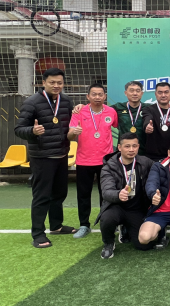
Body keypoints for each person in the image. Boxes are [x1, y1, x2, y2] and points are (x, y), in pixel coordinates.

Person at [15, 67, 76, 248]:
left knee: (59, 193)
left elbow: (71, 122)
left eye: (60, 83)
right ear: (43, 83)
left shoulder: (66, 101)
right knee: (42, 196)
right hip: (42, 157)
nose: (56, 85)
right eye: (52, 82)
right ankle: (38, 234)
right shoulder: (31, 102)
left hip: (62, 154)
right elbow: (19, 129)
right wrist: (32, 131)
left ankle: (56, 226)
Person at [67, 83, 118, 239]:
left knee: (106, 194)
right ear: (88, 96)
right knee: (83, 194)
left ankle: (106, 222)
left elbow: (119, 126)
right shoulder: (79, 111)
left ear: (105, 96)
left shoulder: (111, 112)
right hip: (84, 161)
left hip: (106, 161)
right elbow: (69, 135)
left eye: (100, 94)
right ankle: (84, 225)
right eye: (94, 94)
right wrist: (73, 133)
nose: (97, 97)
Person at [95, 133, 155, 259]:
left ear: (138, 146)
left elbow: (160, 171)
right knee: (107, 218)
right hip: (116, 206)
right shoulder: (109, 166)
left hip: (136, 209)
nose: (131, 149)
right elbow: (106, 191)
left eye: (134, 146)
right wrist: (118, 194)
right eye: (127, 146)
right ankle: (109, 243)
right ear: (119, 147)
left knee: (144, 245)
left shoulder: (145, 162)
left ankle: (126, 228)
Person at [74, 80, 147, 154]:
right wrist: (83, 106)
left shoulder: (149, 108)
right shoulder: (118, 107)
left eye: (138, 91)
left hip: (144, 151)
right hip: (123, 151)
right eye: (131, 90)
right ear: (125, 93)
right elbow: (99, 108)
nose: (135, 93)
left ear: (142, 93)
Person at [143, 82, 170, 161]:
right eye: (160, 92)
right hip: (153, 157)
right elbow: (147, 118)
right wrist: (147, 126)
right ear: (155, 94)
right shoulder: (149, 109)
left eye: (166, 92)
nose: (163, 95)